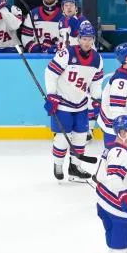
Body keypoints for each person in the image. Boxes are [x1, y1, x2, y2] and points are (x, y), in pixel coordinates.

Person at [45, 20, 104, 181]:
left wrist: (97, 100)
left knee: (80, 137)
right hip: (63, 103)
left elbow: (96, 83)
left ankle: (74, 167)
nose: (87, 41)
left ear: (93, 39)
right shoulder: (66, 53)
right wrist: (51, 95)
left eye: (90, 38)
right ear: (78, 39)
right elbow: (51, 73)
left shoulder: (97, 59)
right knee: (63, 138)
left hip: (81, 105)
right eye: (84, 38)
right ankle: (58, 164)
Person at [96, 114, 127, 253]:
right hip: (115, 208)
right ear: (123, 133)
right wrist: (126, 196)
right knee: (118, 252)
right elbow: (114, 177)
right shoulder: (119, 153)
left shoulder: (117, 148)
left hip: (110, 204)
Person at [100, 43, 127, 149]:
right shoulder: (121, 81)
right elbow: (116, 110)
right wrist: (126, 129)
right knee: (114, 158)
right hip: (117, 127)